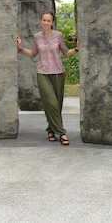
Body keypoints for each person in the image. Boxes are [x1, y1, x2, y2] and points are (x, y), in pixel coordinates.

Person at [16, 11, 78, 146]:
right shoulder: (37, 37)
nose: (45, 22)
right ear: (41, 21)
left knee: (57, 104)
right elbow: (33, 53)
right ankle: (62, 133)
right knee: (51, 102)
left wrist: (77, 49)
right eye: (44, 20)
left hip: (58, 73)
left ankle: (51, 130)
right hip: (42, 73)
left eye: (48, 20)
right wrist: (20, 48)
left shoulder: (58, 36)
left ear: (52, 23)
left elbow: (66, 52)